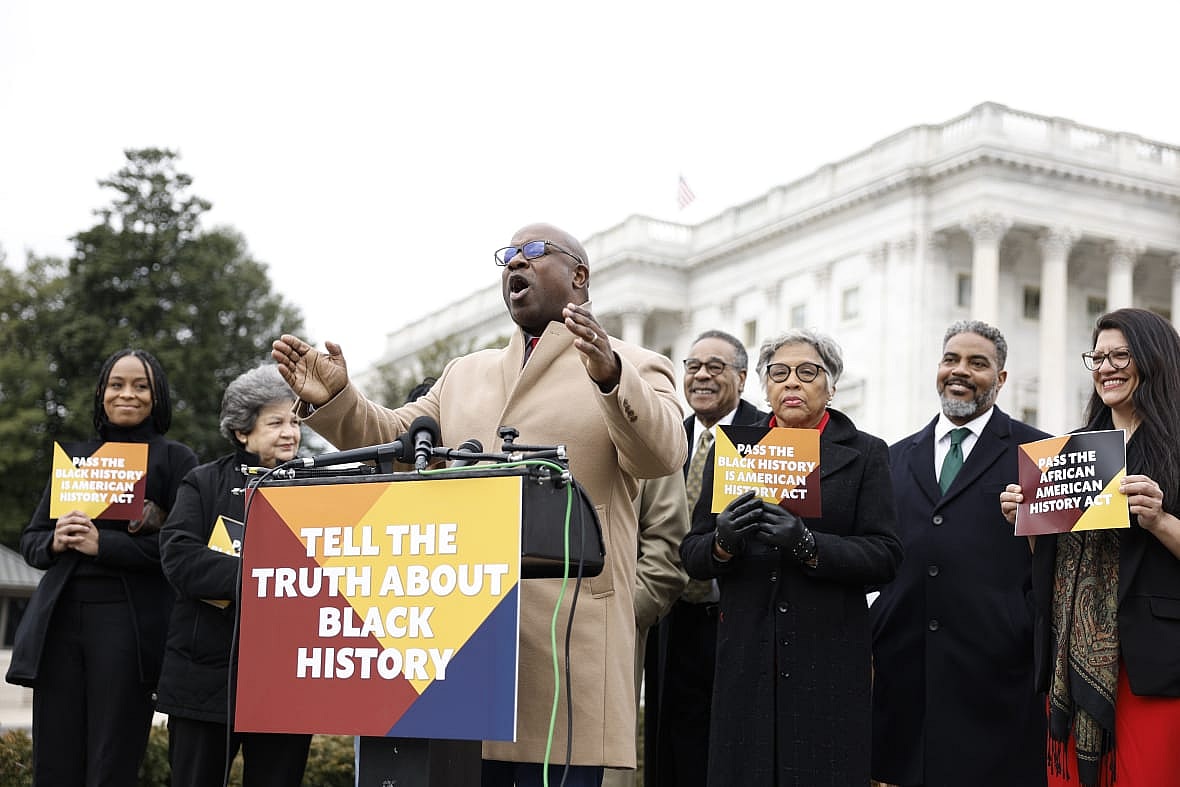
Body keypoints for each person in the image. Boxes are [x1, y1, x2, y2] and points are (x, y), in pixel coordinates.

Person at [271, 222, 687, 787]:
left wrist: (612, 376)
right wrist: (340, 402)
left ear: (579, 276)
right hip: (466, 636)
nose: (515, 262)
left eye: (533, 253)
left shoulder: (634, 363)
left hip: (567, 636)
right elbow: (400, 440)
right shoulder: (466, 373)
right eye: (507, 256)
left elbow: (662, 453)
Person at [680, 328, 902, 786]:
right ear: (765, 386)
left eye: (807, 372)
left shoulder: (865, 455)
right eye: (778, 373)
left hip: (828, 663)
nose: (792, 383)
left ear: (831, 386)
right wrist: (722, 542)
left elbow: (886, 555)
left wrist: (807, 543)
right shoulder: (733, 450)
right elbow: (693, 553)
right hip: (747, 660)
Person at [1001, 308, 1180, 787]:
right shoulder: (1071, 449)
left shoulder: (1177, 448)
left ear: (1154, 359)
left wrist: (1161, 521)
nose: (1106, 368)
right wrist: (1030, 525)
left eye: (1121, 355)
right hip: (1069, 667)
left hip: (1151, 663)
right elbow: (1048, 571)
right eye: (1097, 357)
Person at [6, 349, 199, 784]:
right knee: (53, 757)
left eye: (140, 385)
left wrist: (104, 545)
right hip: (61, 620)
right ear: (101, 393)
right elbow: (32, 541)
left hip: (128, 627)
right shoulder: (79, 460)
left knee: (111, 757)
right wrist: (55, 540)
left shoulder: (176, 459)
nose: (127, 394)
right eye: (116, 384)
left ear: (157, 395)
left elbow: (184, 552)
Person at [869, 320, 1048, 787]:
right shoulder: (892, 457)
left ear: (1001, 378)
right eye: (951, 359)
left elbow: (1066, 559)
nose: (960, 371)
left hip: (999, 673)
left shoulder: (1041, 451)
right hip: (907, 672)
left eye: (977, 363)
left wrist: (1022, 620)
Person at [156, 364, 310, 786]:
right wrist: (265, 579)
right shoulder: (202, 483)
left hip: (285, 683)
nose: (290, 432)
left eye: (295, 421)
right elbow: (179, 557)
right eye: (276, 421)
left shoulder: (318, 489)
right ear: (242, 430)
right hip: (203, 682)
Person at [655, 329, 766, 787]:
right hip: (670, 616)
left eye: (715, 367)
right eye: (693, 366)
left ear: (741, 378)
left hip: (735, 616)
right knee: (674, 744)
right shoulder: (666, 441)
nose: (701, 375)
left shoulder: (767, 437)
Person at [602, 472, 690, 787]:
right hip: (501, 634)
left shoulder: (645, 425)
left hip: (603, 646)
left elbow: (667, 545)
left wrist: (624, 614)